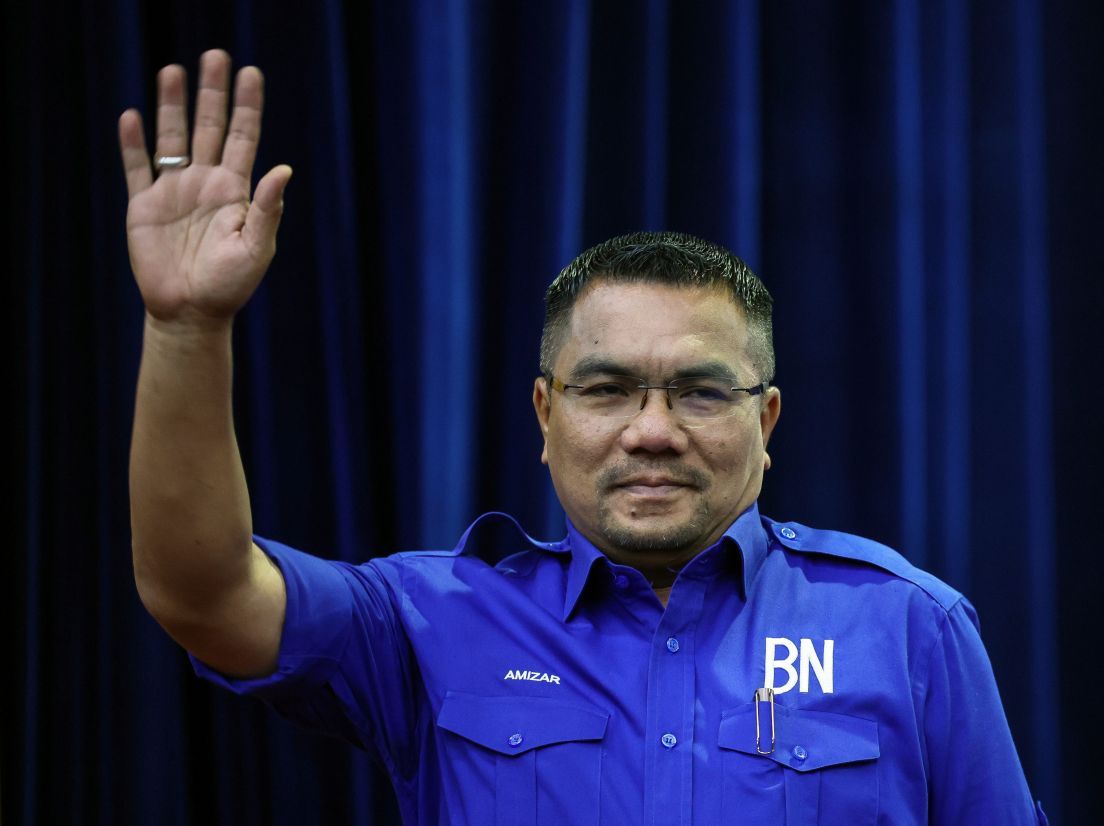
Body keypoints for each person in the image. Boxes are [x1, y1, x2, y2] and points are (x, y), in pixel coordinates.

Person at [120, 50, 1048, 825]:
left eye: (699, 393)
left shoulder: (907, 627)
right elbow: (203, 591)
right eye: (606, 391)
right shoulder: (429, 623)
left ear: (765, 420)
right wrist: (186, 328)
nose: (652, 432)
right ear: (544, 414)